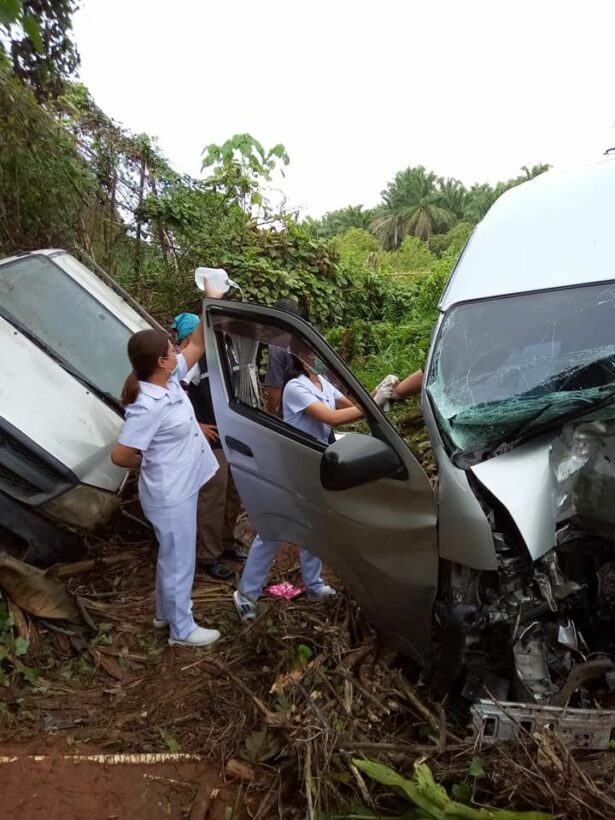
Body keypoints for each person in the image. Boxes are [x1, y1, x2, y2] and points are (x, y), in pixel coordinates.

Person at [233, 345, 395, 621]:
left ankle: (314, 585)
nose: (314, 358)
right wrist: (375, 401)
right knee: (273, 527)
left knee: (314, 525)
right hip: (290, 467)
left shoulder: (322, 383)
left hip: (315, 464)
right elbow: (331, 417)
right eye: (309, 354)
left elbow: (352, 408)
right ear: (299, 358)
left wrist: (377, 394)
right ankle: (246, 594)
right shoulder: (295, 387)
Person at [110, 323, 221, 648]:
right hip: (169, 494)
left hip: (179, 486)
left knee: (171, 555)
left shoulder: (169, 381)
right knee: (179, 559)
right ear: (161, 361)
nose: (177, 351)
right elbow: (121, 455)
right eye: (172, 349)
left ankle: (165, 612)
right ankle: (182, 629)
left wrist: (210, 296)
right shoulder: (148, 405)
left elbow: (198, 344)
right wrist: (148, 462)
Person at [171, 312, 246, 581]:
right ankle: (208, 554)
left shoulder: (225, 350)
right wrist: (196, 426)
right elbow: (174, 395)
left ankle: (227, 542)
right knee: (214, 494)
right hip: (209, 438)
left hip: (231, 434)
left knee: (233, 491)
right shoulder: (190, 361)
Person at [264, 299, 305, 415]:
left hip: (291, 410)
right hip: (315, 405)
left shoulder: (278, 344)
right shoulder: (310, 337)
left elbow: (275, 387)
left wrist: (271, 415)